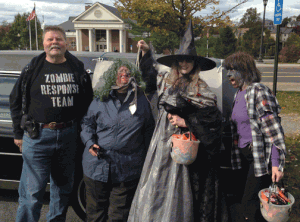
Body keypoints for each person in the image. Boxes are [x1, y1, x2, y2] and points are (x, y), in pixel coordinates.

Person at [128, 21, 225, 222]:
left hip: (187, 149)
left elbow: (213, 122)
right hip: (162, 144)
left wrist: (186, 120)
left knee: (182, 189)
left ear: (195, 63)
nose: (184, 63)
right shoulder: (166, 80)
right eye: (180, 60)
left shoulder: (202, 88)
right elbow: (147, 75)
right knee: (156, 183)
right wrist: (147, 52)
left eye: (188, 60)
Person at [9, 26, 93, 222]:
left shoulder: (77, 69)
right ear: (44, 44)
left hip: (69, 136)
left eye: (59, 39)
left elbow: (88, 102)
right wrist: (17, 134)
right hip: (37, 136)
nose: (54, 42)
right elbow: (15, 101)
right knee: (31, 194)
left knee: (62, 191)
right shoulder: (32, 69)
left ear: (66, 43)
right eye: (50, 39)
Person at [80, 59, 155, 222]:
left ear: (133, 77)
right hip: (96, 165)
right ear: (112, 76)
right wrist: (89, 142)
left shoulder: (141, 101)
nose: (124, 75)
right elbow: (87, 124)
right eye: (119, 72)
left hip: (127, 168)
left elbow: (149, 130)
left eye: (128, 73)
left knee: (119, 215)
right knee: (95, 214)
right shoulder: (100, 99)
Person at [223, 51, 286, 222]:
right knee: (248, 201)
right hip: (243, 156)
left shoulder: (259, 91)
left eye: (233, 69)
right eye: (227, 70)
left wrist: (276, 164)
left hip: (258, 158)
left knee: (249, 207)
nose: (228, 74)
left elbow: (274, 131)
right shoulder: (238, 94)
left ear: (245, 70)